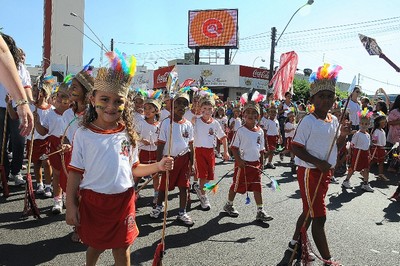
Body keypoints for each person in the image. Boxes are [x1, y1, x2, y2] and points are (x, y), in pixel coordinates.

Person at [65, 52, 173, 266]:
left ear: (126, 104)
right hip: (94, 202)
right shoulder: (83, 134)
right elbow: (75, 173)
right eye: (104, 99)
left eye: (118, 101)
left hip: (124, 201)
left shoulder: (128, 135)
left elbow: (134, 169)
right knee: (95, 245)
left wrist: (158, 166)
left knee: (122, 247)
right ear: (92, 98)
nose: (111, 106)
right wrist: (71, 205)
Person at [279, 64, 349, 266]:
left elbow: (336, 146)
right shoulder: (308, 121)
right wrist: (319, 163)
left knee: (309, 211)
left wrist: (343, 136)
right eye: (321, 96)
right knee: (319, 217)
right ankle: (328, 260)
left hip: (325, 173)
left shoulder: (334, 120)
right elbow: (296, 148)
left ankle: (294, 244)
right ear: (312, 100)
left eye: (330, 96)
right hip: (310, 172)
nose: (326, 100)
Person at [223, 97, 273, 222]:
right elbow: (233, 147)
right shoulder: (240, 131)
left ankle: (260, 210)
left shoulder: (260, 131)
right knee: (237, 185)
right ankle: (229, 204)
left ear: (258, 116)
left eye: (254, 113)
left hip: (255, 165)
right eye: (248, 113)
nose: (251, 115)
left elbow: (261, 149)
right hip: (243, 164)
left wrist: (261, 163)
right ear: (243, 115)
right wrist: (239, 160)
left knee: (257, 187)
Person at [150, 91, 195, 226]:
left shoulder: (188, 124)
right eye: (178, 103)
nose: (181, 107)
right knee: (164, 185)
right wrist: (159, 164)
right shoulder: (166, 123)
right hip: (169, 159)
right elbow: (160, 145)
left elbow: (191, 145)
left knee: (184, 187)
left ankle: (182, 212)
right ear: (172, 105)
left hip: (184, 160)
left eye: (184, 104)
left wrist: (192, 163)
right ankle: (158, 206)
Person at [34, 76, 71, 213]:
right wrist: (37, 122)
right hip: (54, 145)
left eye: (65, 97)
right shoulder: (51, 114)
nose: (61, 99)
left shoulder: (72, 114)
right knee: (56, 173)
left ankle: (67, 197)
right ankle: (57, 200)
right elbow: (43, 132)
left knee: (68, 175)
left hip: (69, 147)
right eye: (59, 96)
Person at [192, 95, 229, 210]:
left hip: (210, 152)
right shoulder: (196, 121)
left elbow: (223, 137)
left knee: (209, 177)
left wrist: (226, 152)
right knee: (203, 176)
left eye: (209, 109)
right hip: (198, 151)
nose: (207, 111)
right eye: (204, 109)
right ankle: (203, 197)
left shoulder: (215, 123)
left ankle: (200, 189)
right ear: (200, 109)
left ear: (214, 109)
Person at [0, 34, 33, 136]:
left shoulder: (20, 67)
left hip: (15, 106)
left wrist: (24, 103)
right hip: (1, 107)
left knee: (18, 137)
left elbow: (26, 85)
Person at [28, 78, 53, 196]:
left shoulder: (51, 109)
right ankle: (39, 184)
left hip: (46, 140)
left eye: (37, 91)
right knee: (36, 162)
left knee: (46, 162)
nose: (34, 93)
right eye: (33, 91)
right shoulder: (31, 107)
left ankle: (48, 186)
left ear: (44, 93)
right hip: (32, 139)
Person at [135, 94, 162, 204]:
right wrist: (142, 139)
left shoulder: (159, 124)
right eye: (145, 108)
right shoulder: (140, 122)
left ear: (156, 110)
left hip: (155, 152)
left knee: (155, 176)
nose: (146, 111)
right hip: (143, 152)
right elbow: (134, 134)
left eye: (150, 108)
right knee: (138, 174)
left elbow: (162, 137)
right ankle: (133, 192)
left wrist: (158, 142)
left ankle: (156, 195)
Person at [341, 110, 374, 192]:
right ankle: (346, 181)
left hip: (365, 153)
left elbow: (368, 145)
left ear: (369, 125)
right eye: (362, 123)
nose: (364, 125)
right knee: (353, 168)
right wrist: (350, 153)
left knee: (366, 168)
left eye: (366, 124)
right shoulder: (357, 134)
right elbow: (352, 144)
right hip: (358, 153)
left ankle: (366, 184)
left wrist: (369, 153)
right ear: (359, 124)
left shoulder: (367, 135)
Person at [370, 114, 389, 181]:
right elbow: (374, 140)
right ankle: (364, 170)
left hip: (381, 148)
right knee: (373, 161)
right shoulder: (376, 131)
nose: (385, 124)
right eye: (383, 122)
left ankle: (380, 174)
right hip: (376, 148)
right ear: (379, 123)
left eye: (386, 122)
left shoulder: (382, 131)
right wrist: (374, 140)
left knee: (381, 162)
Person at [263, 104, 282, 169]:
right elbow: (265, 130)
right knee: (270, 150)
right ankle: (262, 161)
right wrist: (264, 139)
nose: (273, 113)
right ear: (268, 113)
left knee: (273, 151)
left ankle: (269, 163)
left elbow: (278, 130)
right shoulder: (267, 121)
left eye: (274, 112)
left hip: (275, 137)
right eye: (271, 112)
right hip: (269, 137)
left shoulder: (277, 121)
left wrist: (280, 137)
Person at [387, 95, 400, 173]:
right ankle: (392, 166)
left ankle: (395, 166)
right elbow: (390, 122)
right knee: (396, 151)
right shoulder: (394, 111)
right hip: (395, 135)